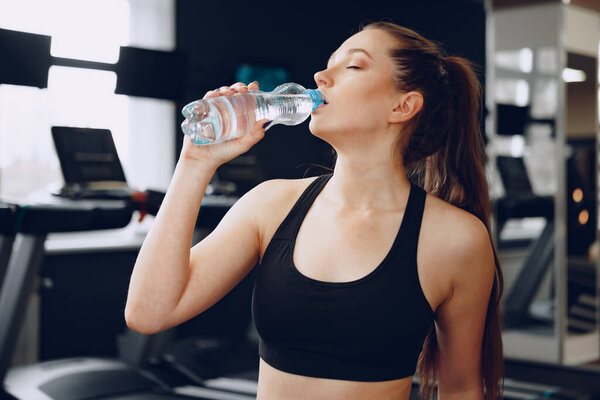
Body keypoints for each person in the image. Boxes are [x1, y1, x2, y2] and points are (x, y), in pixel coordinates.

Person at [125, 21, 505, 400]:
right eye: (328, 63)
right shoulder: (269, 205)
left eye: (353, 66)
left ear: (402, 106)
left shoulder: (456, 239)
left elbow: (462, 390)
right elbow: (149, 313)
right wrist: (195, 163)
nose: (321, 76)